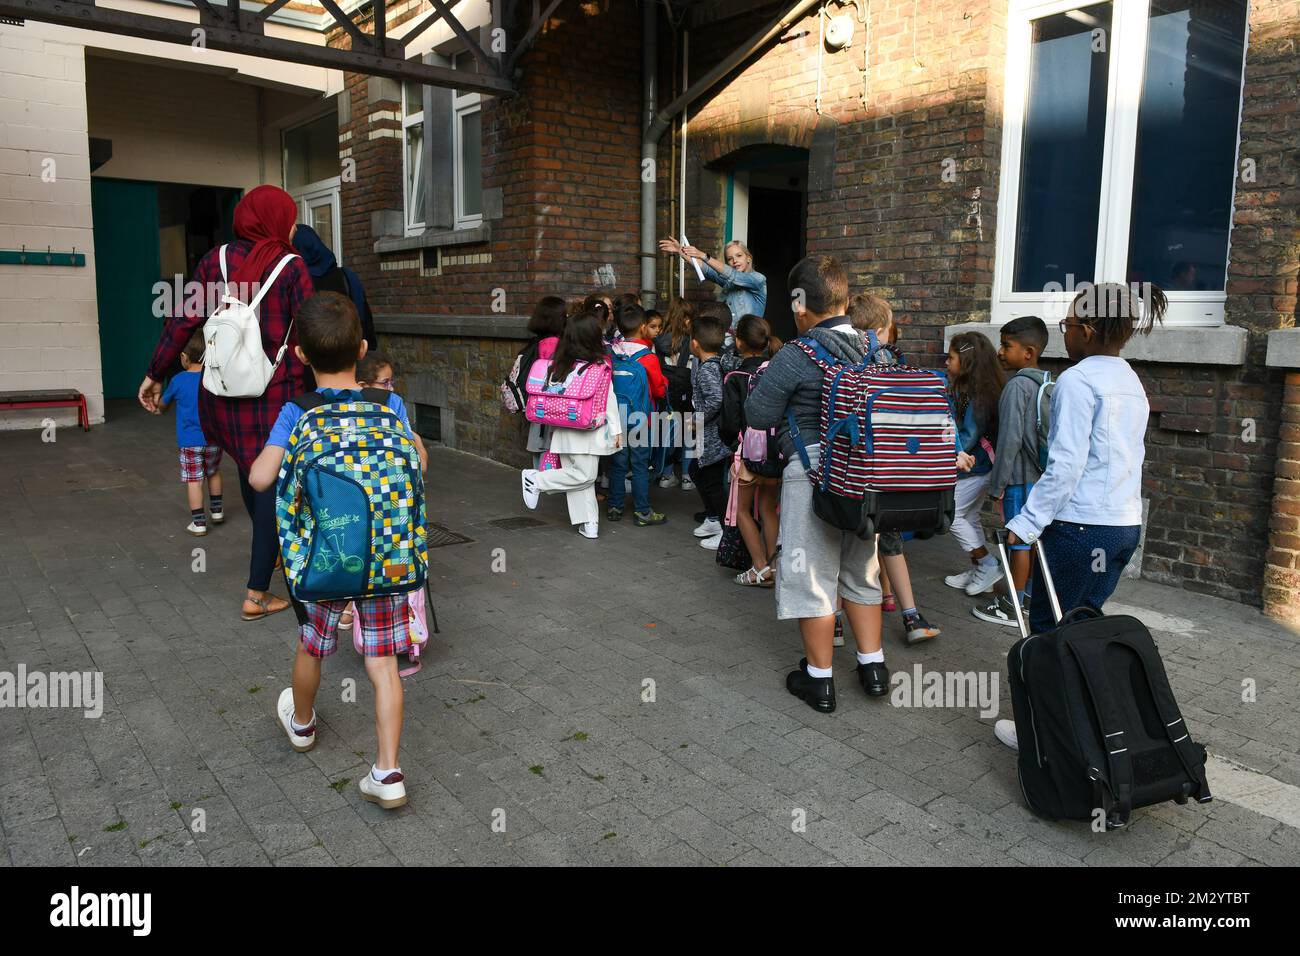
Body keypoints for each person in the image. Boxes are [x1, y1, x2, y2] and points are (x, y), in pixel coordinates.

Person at [247, 291, 421, 809]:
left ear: (300, 355)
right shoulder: (388, 405)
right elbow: (420, 467)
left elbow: (260, 478)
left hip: (328, 554)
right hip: (385, 554)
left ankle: (301, 725)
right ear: (362, 348)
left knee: (312, 644)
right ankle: (388, 774)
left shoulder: (296, 414)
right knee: (383, 662)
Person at [995, 284, 1166, 750]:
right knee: (1085, 628)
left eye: (1067, 326)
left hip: (1079, 526)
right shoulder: (1130, 379)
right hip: (1122, 525)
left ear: (1087, 331)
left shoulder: (1077, 379)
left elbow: (1065, 465)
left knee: (1050, 633)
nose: (1063, 334)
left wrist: (1026, 523)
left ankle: (1044, 733)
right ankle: (1091, 727)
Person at [139, 184, 314, 622]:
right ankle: (256, 593)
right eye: (289, 217)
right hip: (275, 401)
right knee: (273, 487)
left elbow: (183, 322)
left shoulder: (213, 261)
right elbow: (312, 331)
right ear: (274, 219)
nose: (293, 225)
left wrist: (155, 372)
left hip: (221, 399)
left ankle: (269, 550)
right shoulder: (292, 266)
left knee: (249, 470)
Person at [745, 255, 888, 713]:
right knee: (862, 571)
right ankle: (874, 668)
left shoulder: (796, 353)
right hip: (866, 475)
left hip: (812, 474)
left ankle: (819, 679)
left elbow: (758, 415)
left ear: (800, 304)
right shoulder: (876, 349)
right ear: (845, 297)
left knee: (812, 576)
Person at [843, 293, 941, 645]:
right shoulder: (899, 368)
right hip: (894, 472)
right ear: (884, 329)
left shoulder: (844, 364)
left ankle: (838, 624)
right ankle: (912, 616)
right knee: (893, 546)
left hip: (856, 474)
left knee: (846, 548)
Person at [974, 315, 1051, 627]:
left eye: (1007, 346)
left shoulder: (1016, 386)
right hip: (1041, 478)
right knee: (1031, 540)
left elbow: (1009, 440)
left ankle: (1011, 606)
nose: (1000, 353)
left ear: (1028, 352)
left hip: (1018, 478)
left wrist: (997, 486)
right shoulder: (1045, 382)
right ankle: (1028, 597)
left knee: (1017, 540)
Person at [520, 311, 621, 539]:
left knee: (580, 477)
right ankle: (536, 479)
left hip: (564, 427)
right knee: (585, 476)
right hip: (587, 428)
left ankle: (589, 523)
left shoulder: (558, 365)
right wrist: (616, 429)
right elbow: (609, 399)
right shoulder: (598, 366)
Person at [943, 331, 1007, 599]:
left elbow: (968, 436)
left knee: (952, 514)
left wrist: (948, 455)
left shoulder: (978, 396)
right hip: (981, 466)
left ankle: (988, 564)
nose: (946, 362)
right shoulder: (977, 390)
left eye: (951, 358)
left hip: (976, 466)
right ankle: (981, 569)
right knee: (969, 517)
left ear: (966, 361)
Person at [719, 315, 780, 585]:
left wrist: (736, 450)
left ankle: (759, 567)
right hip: (775, 452)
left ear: (739, 342)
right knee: (768, 509)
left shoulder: (735, 376)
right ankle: (775, 565)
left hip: (747, 452)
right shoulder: (777, 370)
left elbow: (730, 423)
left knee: (743, 510)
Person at [156, 330, 224, 536]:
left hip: (189, 442)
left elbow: (162, 405)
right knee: (213, 472)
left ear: (184, 357)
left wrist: (158, 407)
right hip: (214, 438)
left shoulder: (178, 380)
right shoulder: (214, 378)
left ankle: (199, 522)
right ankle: (217, 512)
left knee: (195, 480)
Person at [607, 304, 668, 526]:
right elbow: (659, 390)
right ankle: (643, 512)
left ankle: (614, 507)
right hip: (641, 418)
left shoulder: (611, 353)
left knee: (618, 464)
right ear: (643, 327)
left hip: (616, 418)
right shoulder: (648, 357)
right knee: (640, 464)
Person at [292, 223, 377, 351]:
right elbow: (364, 318)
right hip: (350, 354)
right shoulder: (347, 276)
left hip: (316, 360)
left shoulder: (298, 283)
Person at [688, 304, 731, 550]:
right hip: (711, 436)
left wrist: (697, 420)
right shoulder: (719, 363)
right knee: (696, 471)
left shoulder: (707, 370)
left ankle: (726, 531)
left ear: (695, 344)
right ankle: (714, 518)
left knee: (713, 482)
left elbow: (715, 399)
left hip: (713, 436)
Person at [658, 237, 767, 331]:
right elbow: (706, 269)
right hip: (728, 342)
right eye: (730, 259)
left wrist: (704, 256)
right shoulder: (728, 282)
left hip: (749, 341)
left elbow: (734, 275)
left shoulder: (758, 279)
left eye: (739, 255)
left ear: (748, 257)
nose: (734, 261)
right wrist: (680, 251)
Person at [521, 295, 570, 467]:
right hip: (549, 405)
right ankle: (541, 484)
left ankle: (537, 484)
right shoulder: (554, 344)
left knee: (538, 451)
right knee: (547, 450)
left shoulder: (537, 341)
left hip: (535, 404)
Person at [654, 298, 696, 491]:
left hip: (665, 393)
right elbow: (695, 370)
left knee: (666, 433)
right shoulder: (693, 341)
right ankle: (688, 476)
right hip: (688, 393)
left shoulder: (658, 340)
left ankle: (666, 474)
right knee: (690, 433)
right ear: (686, 319)